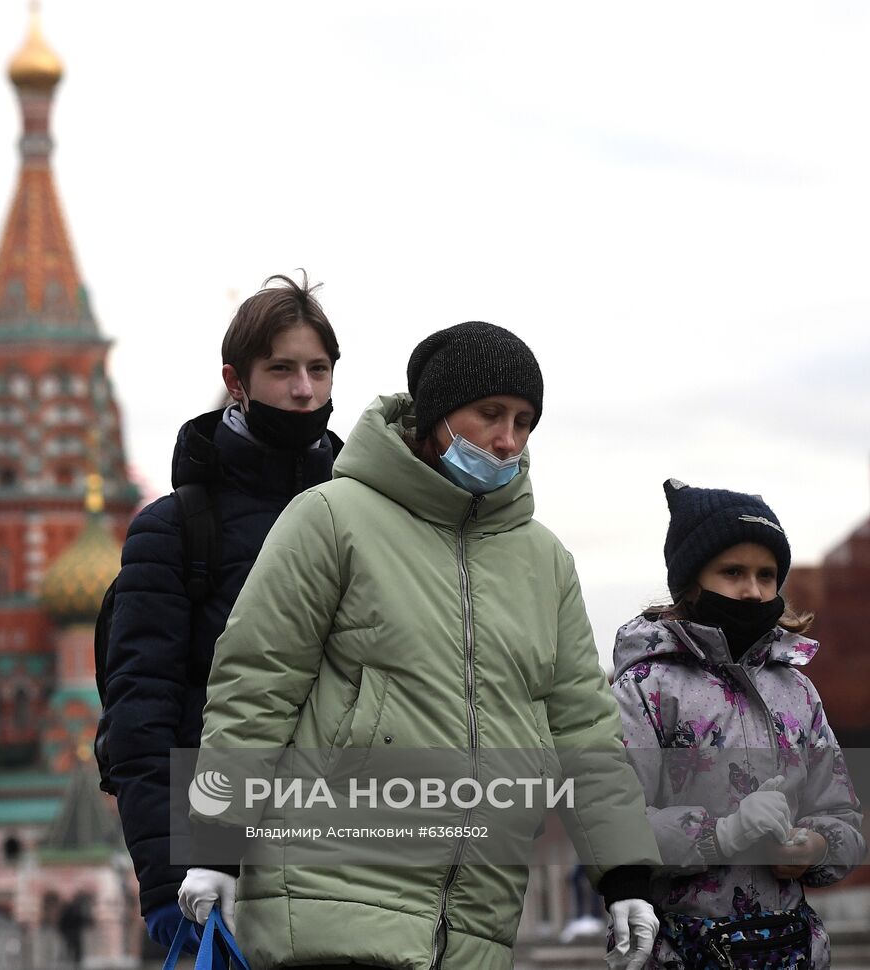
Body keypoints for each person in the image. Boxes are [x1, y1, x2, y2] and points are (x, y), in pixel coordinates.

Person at [180, 322, 663, 970]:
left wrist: (625, 875)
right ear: (436, 414)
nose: (507, 439)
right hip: (331, 902)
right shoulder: (332, 518)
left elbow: (585, 730)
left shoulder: (545, 561)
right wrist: (215, 845)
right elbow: (256, 687)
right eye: (490, 413)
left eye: (524, 422)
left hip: (475, 927)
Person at [101, 272, 343, 949]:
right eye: (282, 370)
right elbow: (141, 716)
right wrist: (165, 879)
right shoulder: (175, 531)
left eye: (318, 370)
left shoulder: (366, 520)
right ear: (236, 382)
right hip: (226, 865)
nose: (304, 390)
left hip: (353, 854)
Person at [610, 480, 866, 969]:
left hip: (792, 951)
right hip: (682, 951)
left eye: (766, 575)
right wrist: (723, 834)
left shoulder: (797, 690)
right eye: (732, 572)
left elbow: (844, 819)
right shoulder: (646, 687)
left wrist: (814, 846)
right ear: (690, 582)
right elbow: (615, 822)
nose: (752, 591)